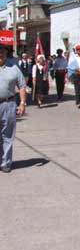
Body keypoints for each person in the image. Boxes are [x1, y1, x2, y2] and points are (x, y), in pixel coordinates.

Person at [0, 43, 27, 173]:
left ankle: (5, 162)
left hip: (8, 104)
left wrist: (22, 103)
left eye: (2, 52)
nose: (0, 54)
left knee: (7, 134)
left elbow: (22, 85)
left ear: (6, 54)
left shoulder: (14, 68)